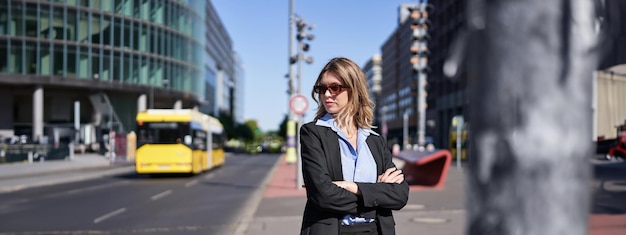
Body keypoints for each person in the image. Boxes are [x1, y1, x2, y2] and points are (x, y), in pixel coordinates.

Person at [299, 57, 409, 235]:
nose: (327, 94)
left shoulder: (375, 139)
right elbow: (323, 195)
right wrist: (376, 195)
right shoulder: (313, 133)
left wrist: (353, 187)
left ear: (354, 89)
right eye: (321, 88)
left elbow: (400, 195)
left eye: (335, 87)